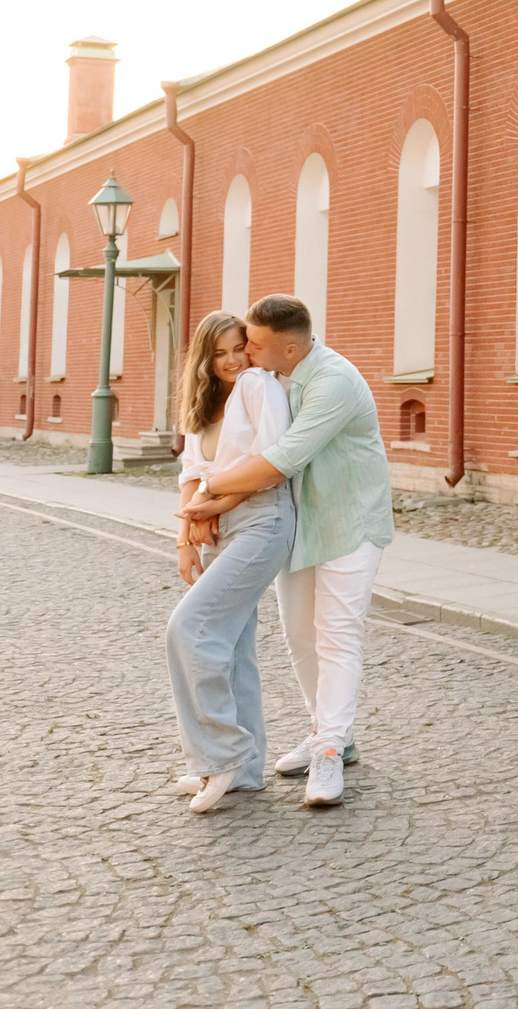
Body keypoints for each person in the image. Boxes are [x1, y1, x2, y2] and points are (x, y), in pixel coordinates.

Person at [197, 292, 393, 810]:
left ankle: (329, 751)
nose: (246, 353)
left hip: (349, 523)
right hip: (302, 524)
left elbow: (281, 459)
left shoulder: (334, 381)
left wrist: (209, 487)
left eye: (254, 345)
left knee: (337, 635)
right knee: (300, 637)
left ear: (289, 348)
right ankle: (331, 733)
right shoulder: (274, 377)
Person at [164, 310, 297, 815]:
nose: (233, 360)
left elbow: (271, 463)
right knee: (235, 648)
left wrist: (213, 504)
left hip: (262, 521)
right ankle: (245, 771)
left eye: (239, 348)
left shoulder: (260, 386)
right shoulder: (203, 402)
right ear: (205, 359)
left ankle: (220, 756)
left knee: (190, 628)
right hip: (216, 528)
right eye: (219, 353)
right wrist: (185, 537)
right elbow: (192, 471)